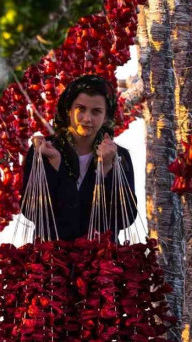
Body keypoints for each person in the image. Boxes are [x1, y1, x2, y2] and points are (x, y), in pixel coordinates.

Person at [20, 74, 138, 241]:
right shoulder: (43, 151)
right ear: (68, 110)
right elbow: (32, 211)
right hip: (52, 261)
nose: (87, 118)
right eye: (80, 109)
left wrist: (106, 169)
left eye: (96, 111)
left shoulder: (119, 156)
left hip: (102, 262)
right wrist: (56, 165)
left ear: (106, 117)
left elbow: (125, 218)